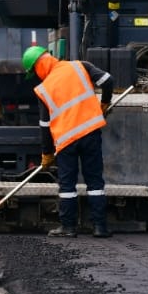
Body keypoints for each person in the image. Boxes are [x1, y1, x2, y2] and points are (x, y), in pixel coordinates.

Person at [23, 45, 115, 237]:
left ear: (38, 66)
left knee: (67, 186)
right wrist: (104, 103)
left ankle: (68, 227)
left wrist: (47, 154)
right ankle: (99, 227)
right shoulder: (80, 66)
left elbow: (44, 126)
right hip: (91, 133)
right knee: (95, 181)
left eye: (34, 72)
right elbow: (107, 81)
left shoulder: (43, 89)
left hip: (66, 141)